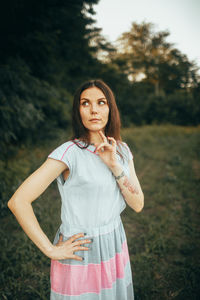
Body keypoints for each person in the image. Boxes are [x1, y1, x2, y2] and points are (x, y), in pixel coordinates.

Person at [8, 79, 144, 299]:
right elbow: (18, 201)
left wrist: (113, 164)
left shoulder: (121, 150)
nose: (93, 110)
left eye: (101, 102)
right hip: (80, 252)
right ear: (78, 110)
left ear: (110, 108)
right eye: (85, 103)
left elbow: (138, 204)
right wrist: (50, 250)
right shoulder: (68, 153)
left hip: (113, 245)